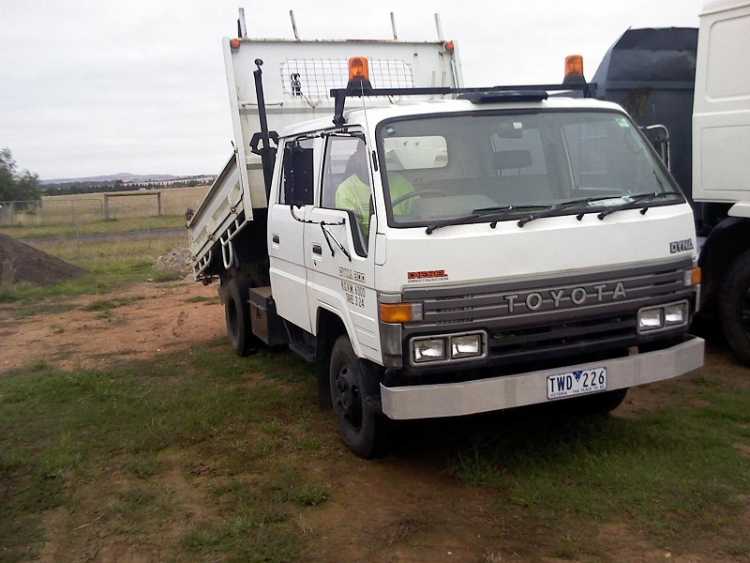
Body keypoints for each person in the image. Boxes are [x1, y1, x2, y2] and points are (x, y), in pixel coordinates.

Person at [335, 142, 414, 235]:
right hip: (367, 243)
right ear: (357, 157)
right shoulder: (345, 190)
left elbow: (419, 211)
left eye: (378, 154)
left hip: (404, 235)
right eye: (366, 155)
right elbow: (353, 232)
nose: (373, 160)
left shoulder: (400, 182)